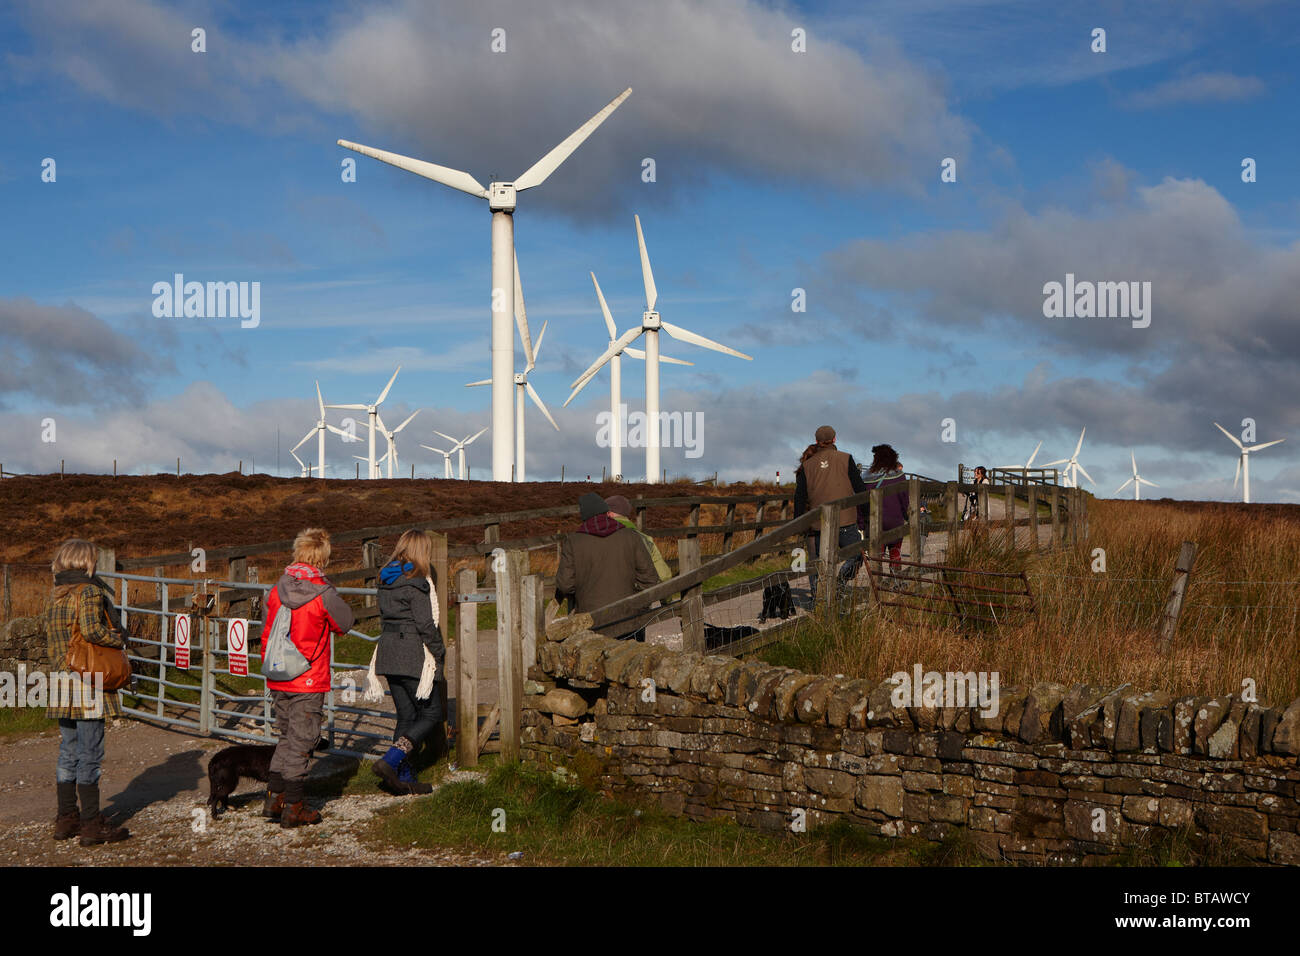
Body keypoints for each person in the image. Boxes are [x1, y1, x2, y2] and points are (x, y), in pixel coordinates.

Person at [260, 528, 355, 828]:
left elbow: (265, 628)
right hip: (308, 678)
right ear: (323, 556)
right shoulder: (323, 593)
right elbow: (346, 623)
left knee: (286, 737)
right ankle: (295, 806)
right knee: (303, 741)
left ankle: (274, 798)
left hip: (278, 675)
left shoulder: (276, 589)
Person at [43, 538, 131, 846]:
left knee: (68, 750)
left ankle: (66, 818)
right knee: (90, 753)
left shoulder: (54, 595)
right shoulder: (90, 591)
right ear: (87, 562)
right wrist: (118, 638)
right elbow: (93, 631)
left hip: (60, 681)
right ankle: (92, 824)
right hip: (88, 681)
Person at [370, 530, 442, 796]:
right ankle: (390, 761)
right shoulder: (416, 582)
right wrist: (439, 650)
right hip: (411, 653)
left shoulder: (385, 578)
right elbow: (425, 624)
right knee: (431, 714)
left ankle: (403, 776)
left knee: (406, 716)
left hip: (388, 651)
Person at [555, 492, 659, 639]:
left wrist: (581, 593)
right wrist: (637, 607)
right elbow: (650, 579)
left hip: (590, 622)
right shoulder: (631, 536)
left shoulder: (573, 541)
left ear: (584, 516)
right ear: (606, 511)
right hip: (628, 620)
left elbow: (565, 584)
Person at [793, 425, 868, 603]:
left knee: (819, 563)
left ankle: (819, 599)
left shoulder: (806, 466)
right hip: (846, 520)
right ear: (835, 439)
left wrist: (798, 523)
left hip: (818, 524)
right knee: (857, 555)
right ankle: (840, 583)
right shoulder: (846, 459)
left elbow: (800, 496)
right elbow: (860, 488)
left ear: (817, 441)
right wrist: (867, 515)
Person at [865, 444, 910, 576]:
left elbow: (861, 502)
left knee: (877, 555)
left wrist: (861, 523)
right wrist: (907, 516)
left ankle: (878, 586)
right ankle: (895, 581)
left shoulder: (866, 477)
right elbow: (904, 500)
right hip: (895, 520)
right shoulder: (899, 476)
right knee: (895, 552)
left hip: (874, 523)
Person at [605, 494, 672, 582]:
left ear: (609, 514)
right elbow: (665, 575)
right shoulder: (645, 538)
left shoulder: (605, 536)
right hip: (650, 587)